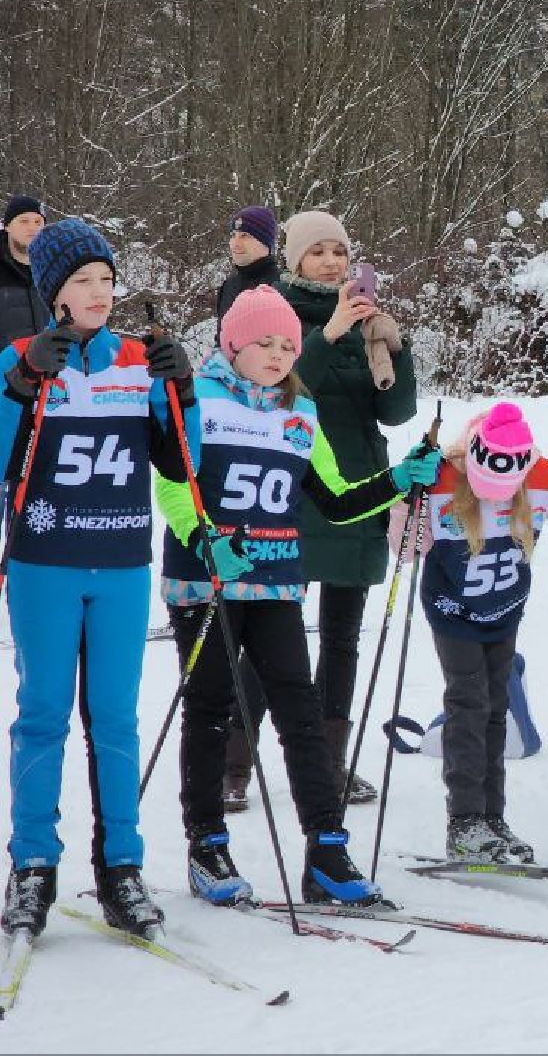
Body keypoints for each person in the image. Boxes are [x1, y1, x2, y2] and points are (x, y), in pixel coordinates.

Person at [157, 286, 412, 908]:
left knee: (300, 710)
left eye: (286, 346)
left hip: (276, 580)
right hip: (208, 578)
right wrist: (202, 535)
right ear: (232, 344)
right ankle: (207, 845)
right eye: (263, 344)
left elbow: (336, 498)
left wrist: (402, 479)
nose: (275, 356)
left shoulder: (301, 412)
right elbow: (171, 480)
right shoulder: (201, 397)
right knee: (212, 707)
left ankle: (326, 848)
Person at [0, 218, 198, 938]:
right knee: (43, 715)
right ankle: (32, 867)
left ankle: (121, 869)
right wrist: (22, 387)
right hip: (42, 563)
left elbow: (180, 464)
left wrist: (183, 390)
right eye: (83, 281)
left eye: (107, 280)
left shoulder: (137, 361)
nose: (99, 293)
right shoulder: (19, 358)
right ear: (53, 292)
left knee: (115, 722)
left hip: (119, 563)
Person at [221, 210, 417, 811]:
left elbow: (397, 412)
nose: (331, 262)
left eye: (340, 251)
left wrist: (394, 346)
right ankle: (233, 761)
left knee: (342, 636)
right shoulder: (273, 309)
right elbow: (283, 383)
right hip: (294, 485)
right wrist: (329, 333)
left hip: (359, 485)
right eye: (318, 252)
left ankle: (329, 762)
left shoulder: (367, 322)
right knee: (268, 630)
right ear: (295, 259)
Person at [394, 402, 548, 861]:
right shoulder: (444, 478)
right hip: (453, 612)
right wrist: (406, 493)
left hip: (504, 612)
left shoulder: (543, 476)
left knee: (496, 711)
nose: (496, 498)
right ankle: (465, 822)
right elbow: (406, 550)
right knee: (468, 704)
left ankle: (491, 819)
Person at [215, 205, 280, 321]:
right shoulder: (229, 286)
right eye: (233, 235)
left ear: (265, 242)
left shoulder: (283, 287)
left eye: (244, 236)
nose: (235, 244)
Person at [0, 195, 48, 342]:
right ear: (7, 226)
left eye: (38, 222)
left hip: (50, 363)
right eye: (24, 221)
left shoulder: (54, 269)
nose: (32, 227)